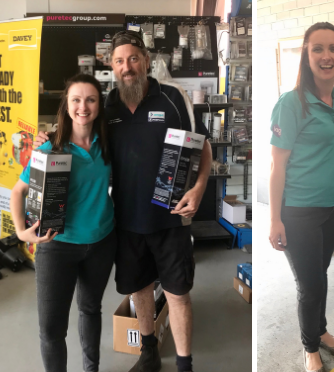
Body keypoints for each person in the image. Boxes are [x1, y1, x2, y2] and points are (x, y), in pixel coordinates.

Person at [36, 30, 212, 372]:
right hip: (126, 223)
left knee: (178, 294)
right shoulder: (107, 107)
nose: (127, 67)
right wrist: (49, 136)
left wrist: (199, 187)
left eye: (133, 59)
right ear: (112, 66)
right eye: (119, 61)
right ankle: (149, 352)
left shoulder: (173, 97)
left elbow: (202, 145)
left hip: (171, 219)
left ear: (145, 61)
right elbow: (78, 131)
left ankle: (185, 363)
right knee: (140, 290)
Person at [11, 74, 115, 372]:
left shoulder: (107, 142)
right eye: (76, 100)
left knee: (90, 309)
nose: (84, 107)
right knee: (52, 329)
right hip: (58, 247)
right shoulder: (49, 148)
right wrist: (21, 232)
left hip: (101, 242)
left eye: (91, 99)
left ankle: (91, 368)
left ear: (99, 104)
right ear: (67, 105)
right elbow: (19, 191)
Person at [268, 22, 334, 372]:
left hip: (333, 208)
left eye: (333, 48)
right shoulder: (291, 103)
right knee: (311, 285)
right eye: (317, 48)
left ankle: (321, 330)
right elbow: (277, 166)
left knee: (321, 274)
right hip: (299, 212)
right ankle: (310, 348)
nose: (326, 55)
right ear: (306, 54)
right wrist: (274, 219)